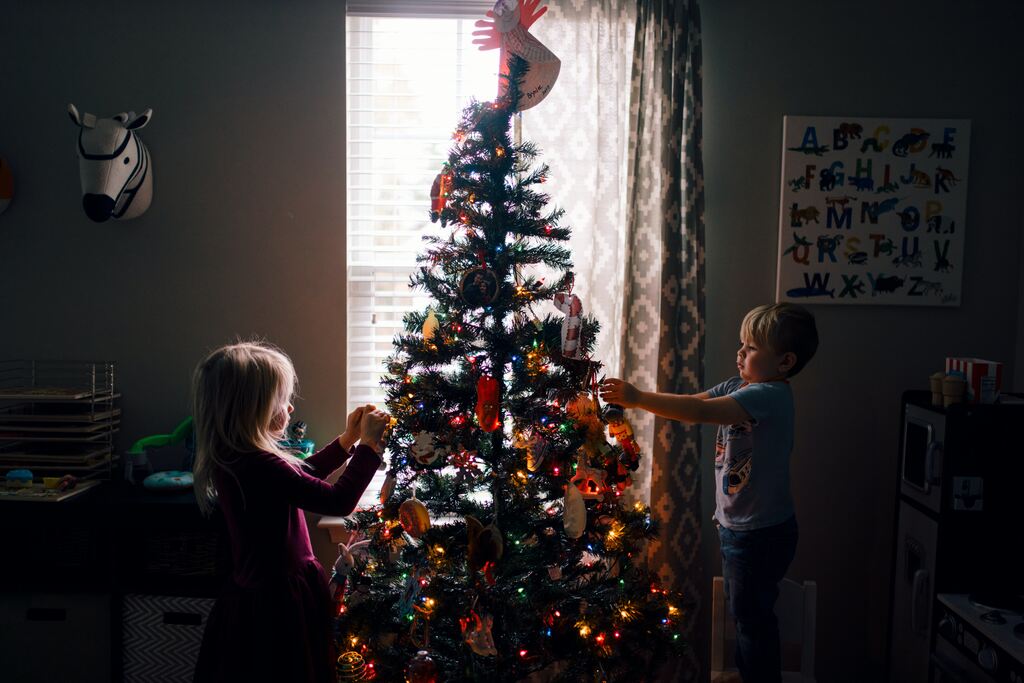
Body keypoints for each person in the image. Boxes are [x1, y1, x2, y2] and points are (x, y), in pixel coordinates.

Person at [600, 303, 818, 683]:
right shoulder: (740, 386)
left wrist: (637, 398)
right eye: (741, 344)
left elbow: (699, 415)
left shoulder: (769, 396)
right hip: (741, 528)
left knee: (752, 620)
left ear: (785, 362)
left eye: (751, 348)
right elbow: (696, 402)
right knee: (748, 615)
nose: (740, 353)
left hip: (759, 533)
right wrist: (639, 397)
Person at [191, 341, 388, 683]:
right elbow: (338, 501)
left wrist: (346, 441)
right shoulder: (259, 464)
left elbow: (301, 476)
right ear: (252, 410)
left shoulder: (240, 458)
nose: (290, 408)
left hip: (264, 595)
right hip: (277, 603)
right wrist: (368, 447)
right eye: (281, 402)